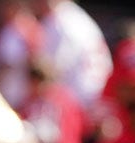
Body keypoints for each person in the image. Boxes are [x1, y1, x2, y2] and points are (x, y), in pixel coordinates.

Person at [30, 0, 112, 133]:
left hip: (80, 103)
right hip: (96, 100)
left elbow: (50, 72)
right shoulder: (73, 16)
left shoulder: (61, 21)